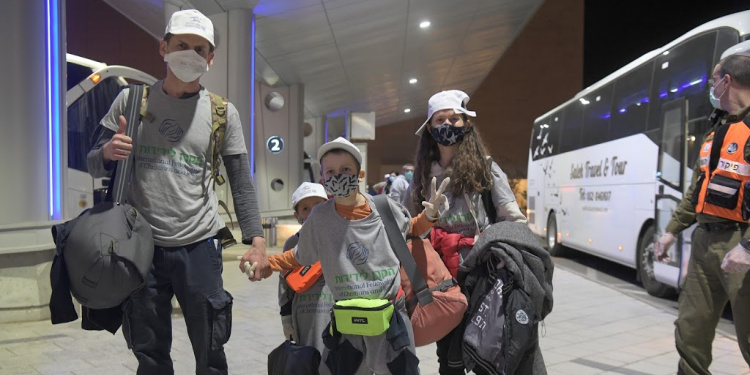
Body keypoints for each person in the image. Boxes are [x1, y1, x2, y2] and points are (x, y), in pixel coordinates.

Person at [86, 9, 271, 374]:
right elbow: (92, 161)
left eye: (199, 49)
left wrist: (258, 240)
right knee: (149, 349)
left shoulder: (222, 113)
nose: (190, 54)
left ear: (210, 58)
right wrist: (107, 153)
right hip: (140, 245)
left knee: (211, 348)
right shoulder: (130, 101)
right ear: (164, 47)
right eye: (182, 45)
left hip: (199, 246)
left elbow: (240, 181)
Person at [264, 137, 449, 374]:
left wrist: (430, 215)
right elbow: (299, 256)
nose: (338, 175)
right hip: (346, 323)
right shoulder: (320, 218)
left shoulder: (384, 207)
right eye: (330, 171)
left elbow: (411, 228)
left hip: (390, 320)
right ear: (323, 179)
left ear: (359, 174)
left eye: (345, 169)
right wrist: (268, 264)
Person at [402, 89, 527, 374]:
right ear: (430, 130)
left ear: (466, 124)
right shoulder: (422, 174)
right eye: (439, 120)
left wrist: (505, 255)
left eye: (453, 119)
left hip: (481, 272)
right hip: (438, 278)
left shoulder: (485, 169)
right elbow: (405, 221)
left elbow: (512, 219)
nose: (447, 126)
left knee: (485, 349)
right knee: (448, 356)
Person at [653, 43, 750, 375]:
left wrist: (747, 246)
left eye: (714, 80)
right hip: (705, 241)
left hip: (741, 242)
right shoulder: (715, 130)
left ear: (729, 80)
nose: (712, 88)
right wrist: (670, 232)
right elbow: (697, 191)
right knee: (691, 329)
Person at [271, 182, 331, 368]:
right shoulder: (292, 244)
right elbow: (285, 287)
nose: (313, 213)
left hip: (334, 312)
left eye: (318, 205)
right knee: (309, 360)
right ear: (297, 215)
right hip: (305, 315)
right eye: (306, 208)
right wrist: (286, 320)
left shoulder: (339, 237)